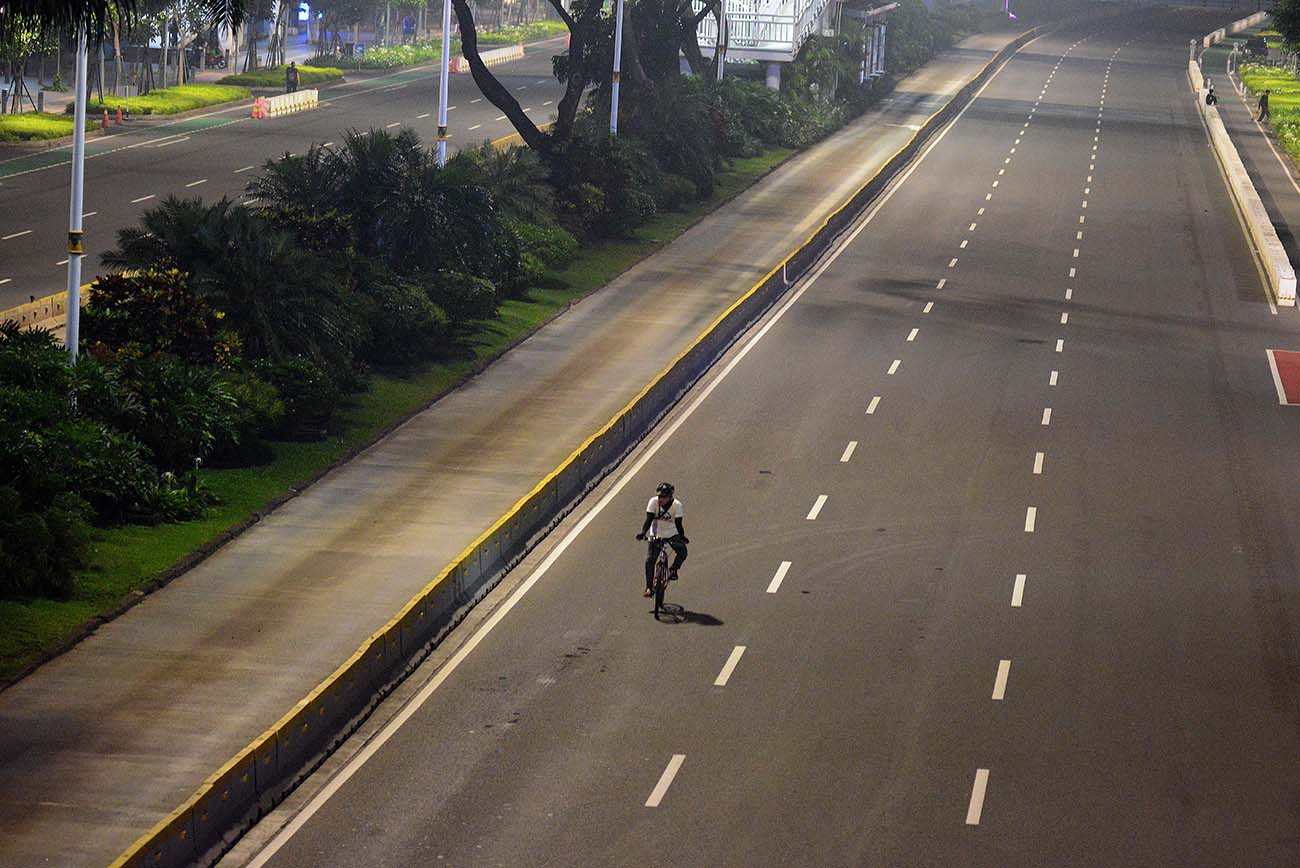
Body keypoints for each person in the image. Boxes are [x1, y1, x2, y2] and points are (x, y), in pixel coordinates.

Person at [636, 482, 689, 597]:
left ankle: (674, 569)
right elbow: (648, 520)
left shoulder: (677, 505)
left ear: (670, 497)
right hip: (656, 533)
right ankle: (649, 587)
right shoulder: (653, 502)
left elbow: (679, 524)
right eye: (660, 496)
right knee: (650, 560)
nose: (661, 499)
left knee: (683, 552)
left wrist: (682, 537)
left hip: (672, 533)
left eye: (664, 497)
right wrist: (643, 533)